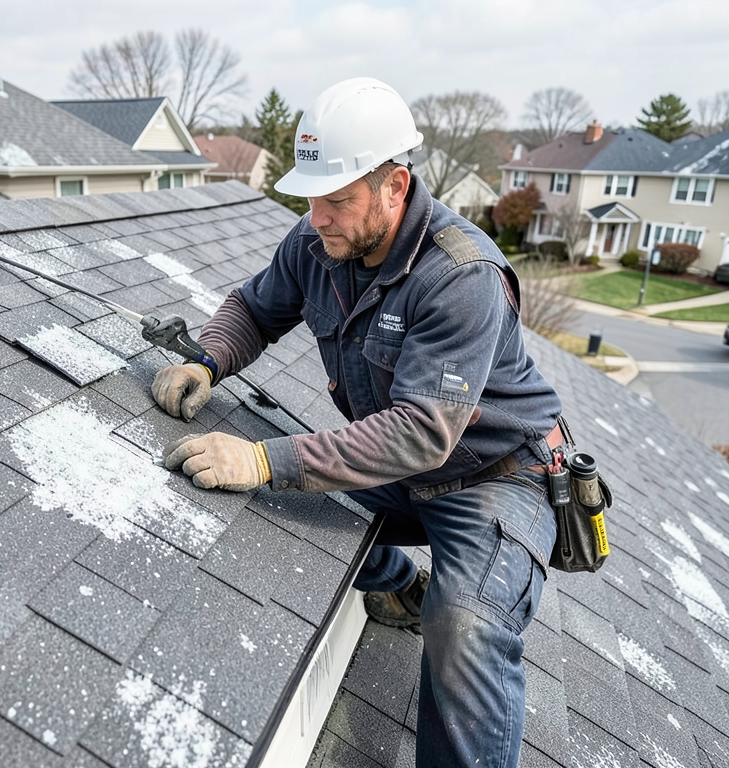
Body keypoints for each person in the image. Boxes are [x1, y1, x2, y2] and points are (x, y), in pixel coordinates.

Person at [151, 77, 562, 768]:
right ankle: (400, 583)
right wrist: (208, 360)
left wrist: (263, 459)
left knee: (464, 624)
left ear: (395, 186)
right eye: (310, 196)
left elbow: (422, 432)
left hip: (495, 479)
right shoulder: (318, 242)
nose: (317, 216)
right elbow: (255, 310)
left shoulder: (460, 275)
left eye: (337, 199)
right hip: (401, 472)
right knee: (288, 508)